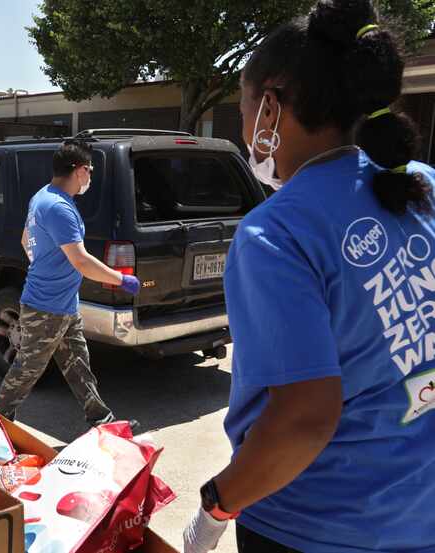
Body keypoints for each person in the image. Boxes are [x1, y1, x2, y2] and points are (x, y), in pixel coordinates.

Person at [182, 2, 435, 552]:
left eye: (245, 109)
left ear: (269, 108)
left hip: (314, 528)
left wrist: (216, 504)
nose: (247, 129)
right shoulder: (422, 185)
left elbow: (302, 419)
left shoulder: (275, 234)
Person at [0, 141, 142, 427]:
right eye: (90, 172)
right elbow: (82, 261)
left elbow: (27, 241)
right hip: (46, 307)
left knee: (78, 364)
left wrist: (46, 264)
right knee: (28, 368)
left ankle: (100, 419)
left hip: (64, 305)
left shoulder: (42, 197)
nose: (90, 178)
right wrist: (121, 279)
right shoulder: (59, 207)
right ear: (80, 170)